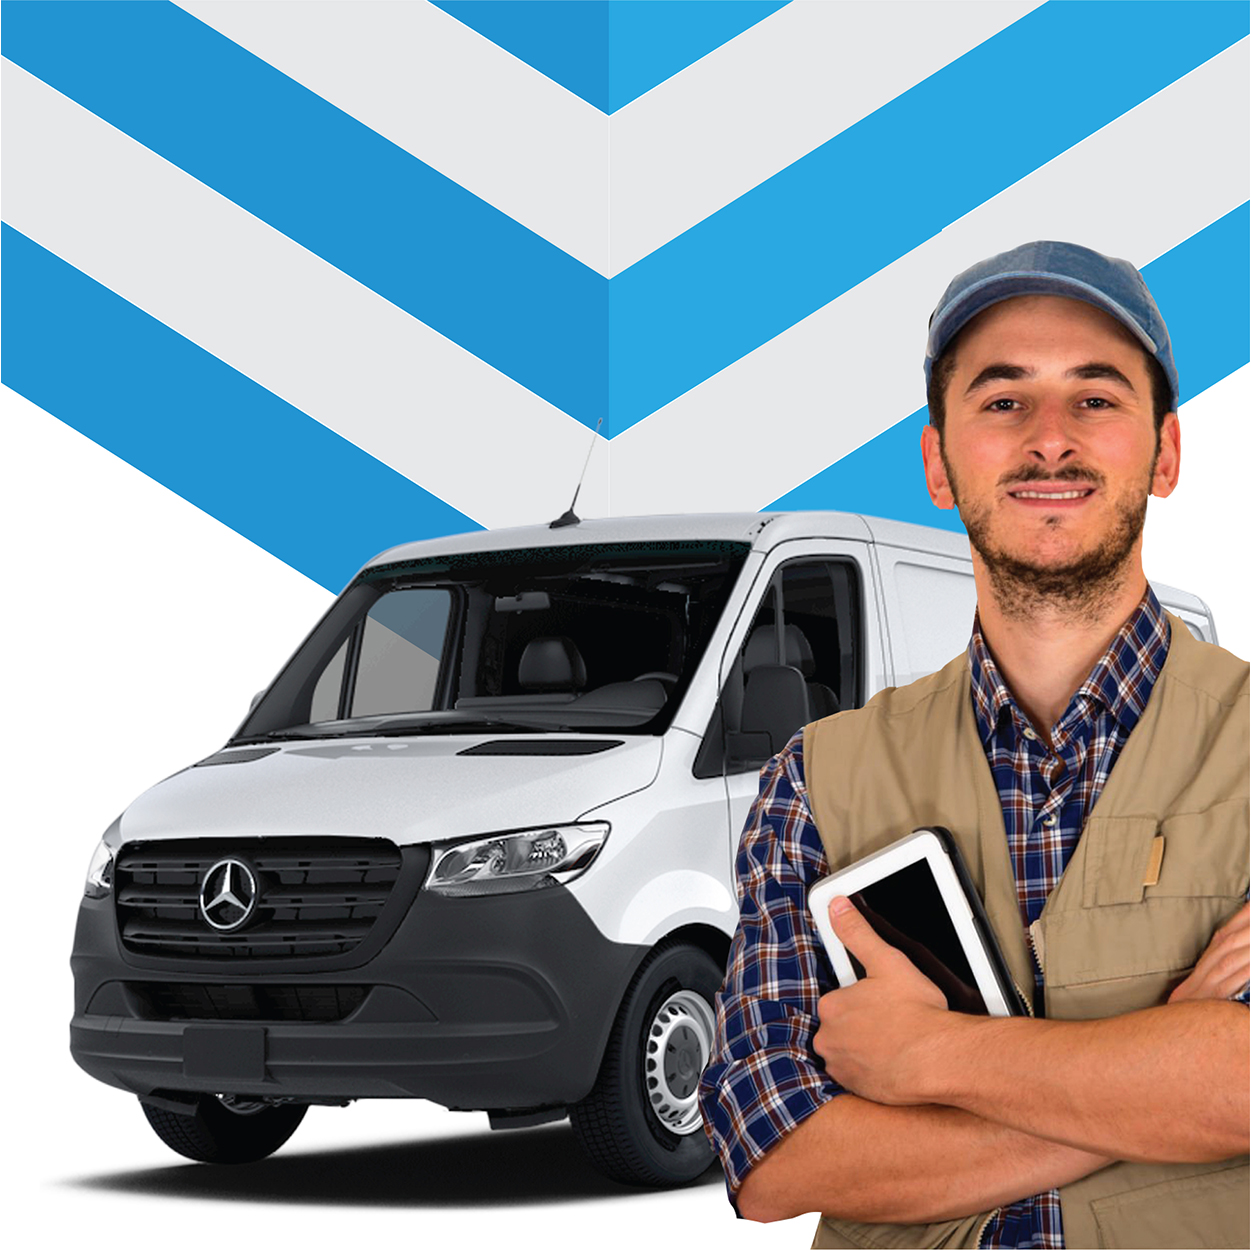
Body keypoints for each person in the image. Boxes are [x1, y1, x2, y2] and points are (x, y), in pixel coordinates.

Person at [697, 241, 1250, 1249]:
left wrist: (930, 1055)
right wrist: (1162, 1072)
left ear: (1166, 454)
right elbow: (775, 1156)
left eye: (1096, 398)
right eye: (1002, 402)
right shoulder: (816, 780)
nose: (1050, 439)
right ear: (937, 463)